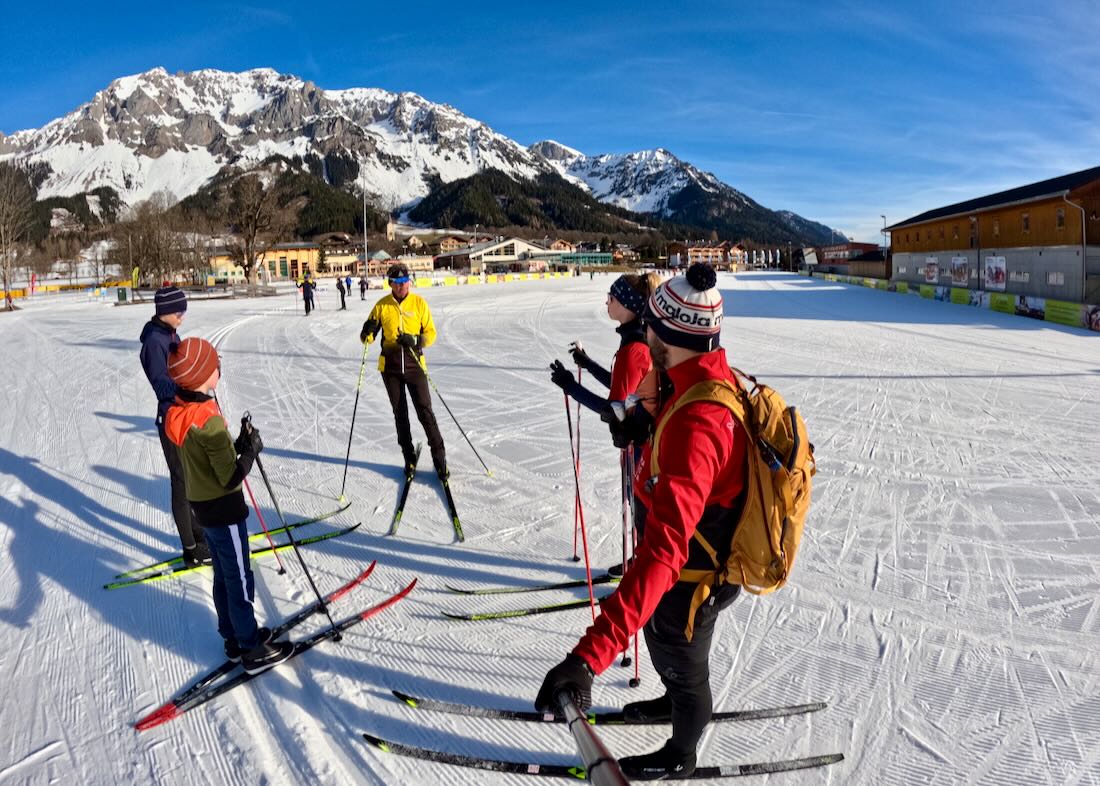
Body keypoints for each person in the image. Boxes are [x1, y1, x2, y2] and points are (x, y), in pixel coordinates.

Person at [535, 263, 747, 781]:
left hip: (695, 573)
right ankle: (671, 699)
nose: (643, 333)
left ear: (669, 335)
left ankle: (681, 751)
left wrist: (589, 658)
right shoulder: (688, 377)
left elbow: (663, 557)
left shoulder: (700, 423)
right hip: (683, 563)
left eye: (651, 326)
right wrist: (642, 428)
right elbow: (653, 410)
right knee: (660, 637)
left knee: (682, 656)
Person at [164, 337, 294, 674]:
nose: (218, 369)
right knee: (239, 578)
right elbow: (230, 477)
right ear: (203, 376)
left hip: (204, 509)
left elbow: (210, 458)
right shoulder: (208, 419)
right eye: (214, 366)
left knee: (223, 575)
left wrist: (237, 443)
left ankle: (233, 637)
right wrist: (250, 451)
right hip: (224, 510)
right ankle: (251, 647)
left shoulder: (180, 411)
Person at [138, 286, 210, 567]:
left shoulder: (170, 335)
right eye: (178, 311)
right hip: (171, 419)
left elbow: (181, 370)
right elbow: (162, 385)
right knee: (181, 482)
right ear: (164, 311)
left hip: (184, 415)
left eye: (184, 311)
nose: (182, 316)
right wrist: (190, 389)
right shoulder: (154, 342)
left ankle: (199, 535)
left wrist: (200, 372)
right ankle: (190, 548)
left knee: (191, 479)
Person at [360, 263, 448, 478]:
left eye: (405, 281)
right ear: (390, 284)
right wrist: (366, 331)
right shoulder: (382, 306)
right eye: (397, 282)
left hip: (414, 366)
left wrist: (416, 340)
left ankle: (440, 459)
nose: (402, 286)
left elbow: (431, 334)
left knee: (425, 412)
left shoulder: (419, 303)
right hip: (390, 369)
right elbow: (367, 338)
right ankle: (409, 457)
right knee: (400, 414)